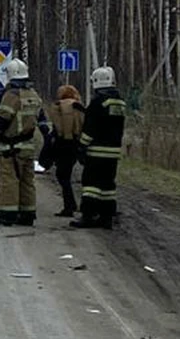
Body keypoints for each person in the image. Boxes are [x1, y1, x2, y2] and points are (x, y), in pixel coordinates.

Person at [0, 59, 43, 227]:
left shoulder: (11, 95)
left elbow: (3, 119)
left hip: (9, 146)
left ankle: (6, 215)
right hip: (28, 146)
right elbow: (41, 119)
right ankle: (27, 214)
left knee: (8, 181)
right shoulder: (33, 95)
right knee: (27, 181)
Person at [71, 66, 126, 229]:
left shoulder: (97, 102)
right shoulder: (119, 102)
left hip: (97, 151)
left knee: (91, 185)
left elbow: (90, 128)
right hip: (113, 152)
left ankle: (87, 216)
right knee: (108, 185)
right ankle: (106, 217)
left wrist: (81, 146)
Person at [45, 85, 86, 217]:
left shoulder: (58, 106)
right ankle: (73, 204)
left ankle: (70, 206)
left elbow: (57, 128)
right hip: (75, 144)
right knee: (66, 174)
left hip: (62, 145)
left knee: (62, 175)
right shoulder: (79, 106)